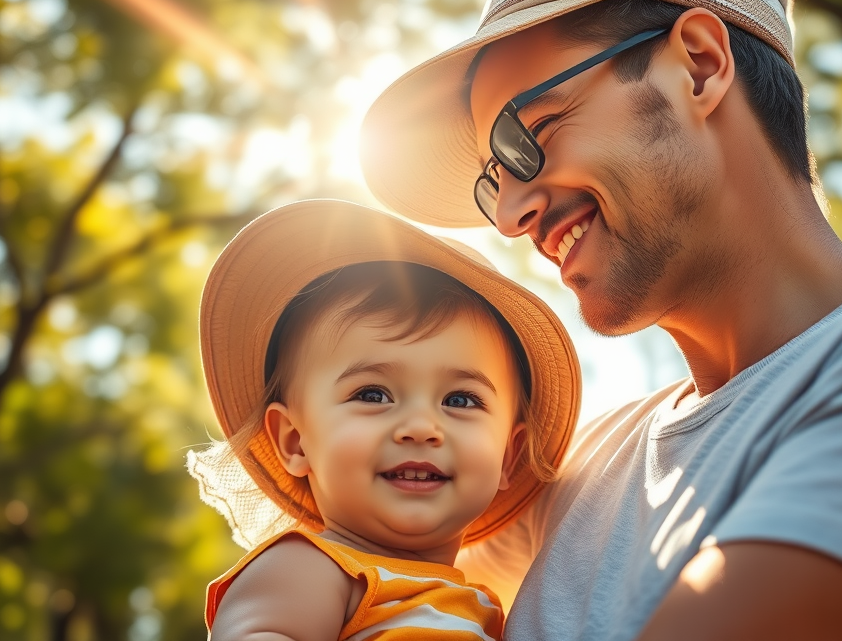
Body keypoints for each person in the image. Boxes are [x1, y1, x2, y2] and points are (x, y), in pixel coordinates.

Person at [360, 0, 842, 641]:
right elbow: (361, 567)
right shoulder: (574, 474)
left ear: (699, 65)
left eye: (532, 134)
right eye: (495, 177)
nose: (508, 217)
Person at [186, 199, 581, 640]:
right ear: (296, 442)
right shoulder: (309, 567)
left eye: (462, 400)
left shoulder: (487, 606)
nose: (421, 427)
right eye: (373, 394)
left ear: (507, 456)